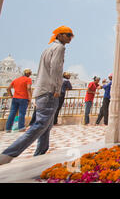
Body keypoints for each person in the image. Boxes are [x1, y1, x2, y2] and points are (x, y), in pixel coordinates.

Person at [0, 26, 73, 165]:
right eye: (68, 35)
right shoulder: (59, 48)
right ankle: (8, 154)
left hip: (41, 90)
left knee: (46, 125)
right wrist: (57, 88)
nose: (70, 38)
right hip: (50, 91)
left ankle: (40, 153)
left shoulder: (48, 48)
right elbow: (56, 69)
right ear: (60, 35)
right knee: (40, 125)